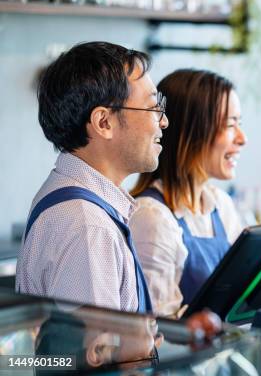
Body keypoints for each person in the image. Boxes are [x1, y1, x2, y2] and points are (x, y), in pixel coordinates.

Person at [15, 41, 166, 313]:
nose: (163, 121)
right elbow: (94, 353)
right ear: (104, 122)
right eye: (153, 107)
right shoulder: (88, 226)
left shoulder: (83, 205)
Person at [129, 69, 247, 317]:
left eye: (240, 123)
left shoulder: (221, 205)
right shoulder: (151, 218)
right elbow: (157, 328)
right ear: (190, 131)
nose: (242, 138)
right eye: (230, 124)